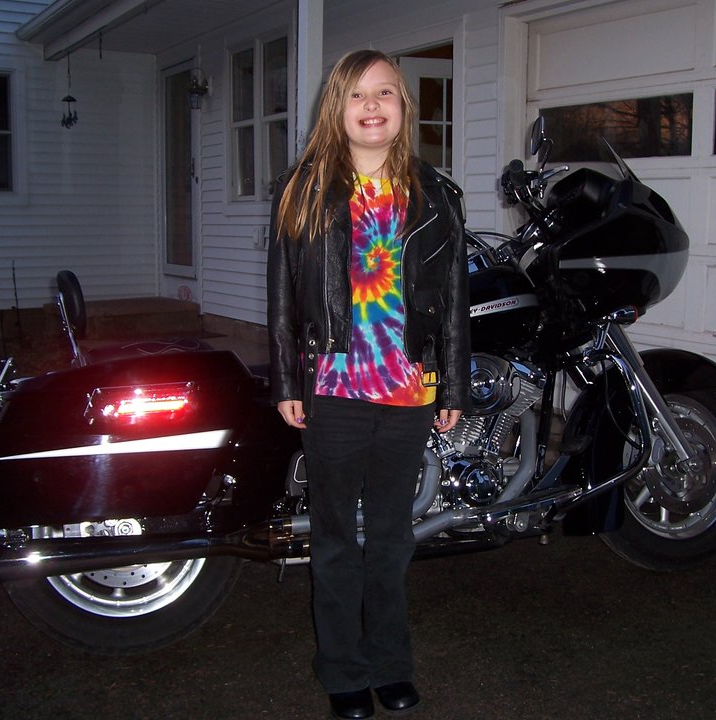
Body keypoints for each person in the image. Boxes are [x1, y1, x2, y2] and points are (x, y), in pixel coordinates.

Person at [266, 49, 470, 719]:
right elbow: (282, 296)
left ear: (403, 106)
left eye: (385, 92)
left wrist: (453, 386)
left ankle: (390, 664)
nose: (372, 105)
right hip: (333, 392)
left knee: (390, 539)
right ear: (338, 109)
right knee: (334, 542)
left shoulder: (435, 195)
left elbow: (454, 299)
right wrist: (286, 379)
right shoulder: (304, 190)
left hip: (408, 394)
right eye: (357, 94)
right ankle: (342, 670)